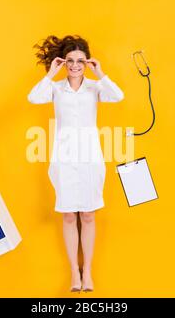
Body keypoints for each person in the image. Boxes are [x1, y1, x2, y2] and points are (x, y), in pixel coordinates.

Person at [28, 35, 124, 292]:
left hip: (90, 156)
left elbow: (118, 96)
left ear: (87, 62)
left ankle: (88, 272)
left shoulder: (95, 88)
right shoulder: (56, 88)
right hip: (64, 156)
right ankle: (74, 273)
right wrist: (50, 74)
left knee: (89, 215)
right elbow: (33, 98)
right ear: (63, 62)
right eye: (69, 61)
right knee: (69, 215)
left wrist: (100, 73)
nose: (74, 65)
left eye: (80, 61)